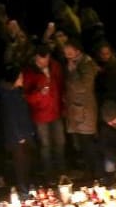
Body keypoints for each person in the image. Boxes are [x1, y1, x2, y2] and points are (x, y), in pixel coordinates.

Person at [22, 45, 65, 179]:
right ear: (36, 58)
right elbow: (26, 97)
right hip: (40, 115)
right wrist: (40, 94)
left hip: (56, 111)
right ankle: (49, 174)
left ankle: (61, 172)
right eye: (41, 61)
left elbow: (61, 85)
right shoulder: (29, 72)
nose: (44, 63)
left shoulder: (55, 67)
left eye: (46, 60)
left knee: (60, 142)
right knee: (45, 145)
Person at [61, 40, 101, 175]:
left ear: (77, 50)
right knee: (83, 145)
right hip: (76, 111)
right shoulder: (73, 63)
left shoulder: (86, 65)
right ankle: (89, 172)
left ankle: (95, 173)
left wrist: (73, 73)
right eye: (65, 53)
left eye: (69, 52)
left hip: (84, 112)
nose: (67, 55)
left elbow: (83, 86)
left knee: (88, 144)